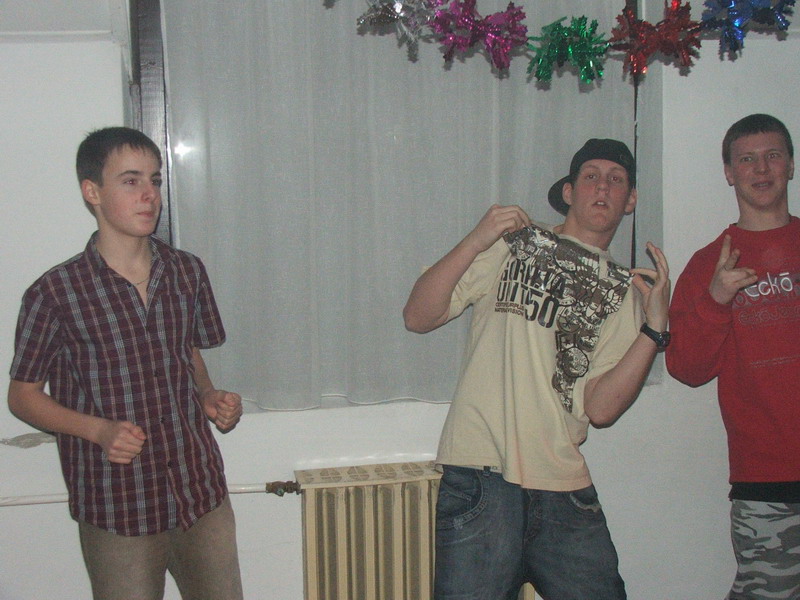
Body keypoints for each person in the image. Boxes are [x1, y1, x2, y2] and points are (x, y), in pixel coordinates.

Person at [404, 138, 671, 600]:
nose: (602, 187)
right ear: (568, 191)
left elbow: (601, 409)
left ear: (630, 200)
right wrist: (477, 237)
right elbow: (418, 316)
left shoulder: (625, 292)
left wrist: (655, 327)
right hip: (482, 475)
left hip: (563, 488)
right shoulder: (517, 245)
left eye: (616, 180)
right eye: (591, 176)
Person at [7, 127, 244, 600]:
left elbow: (188, 351)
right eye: (131, 181)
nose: (150, 195)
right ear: (92, 192)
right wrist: (98, 430)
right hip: (118, 505)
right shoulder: (54, 293)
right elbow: (22, 397)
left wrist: (207, 395)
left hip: (199, 492)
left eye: (154, 180)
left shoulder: (186, 271)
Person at [666, 113, 800, 600]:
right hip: (765, 479)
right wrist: (717, 299)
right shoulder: (708, 264)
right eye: (747, 159)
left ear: (790, 165)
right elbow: (685, 369)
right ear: (729, 172)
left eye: (773, 156)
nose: (761, 169)